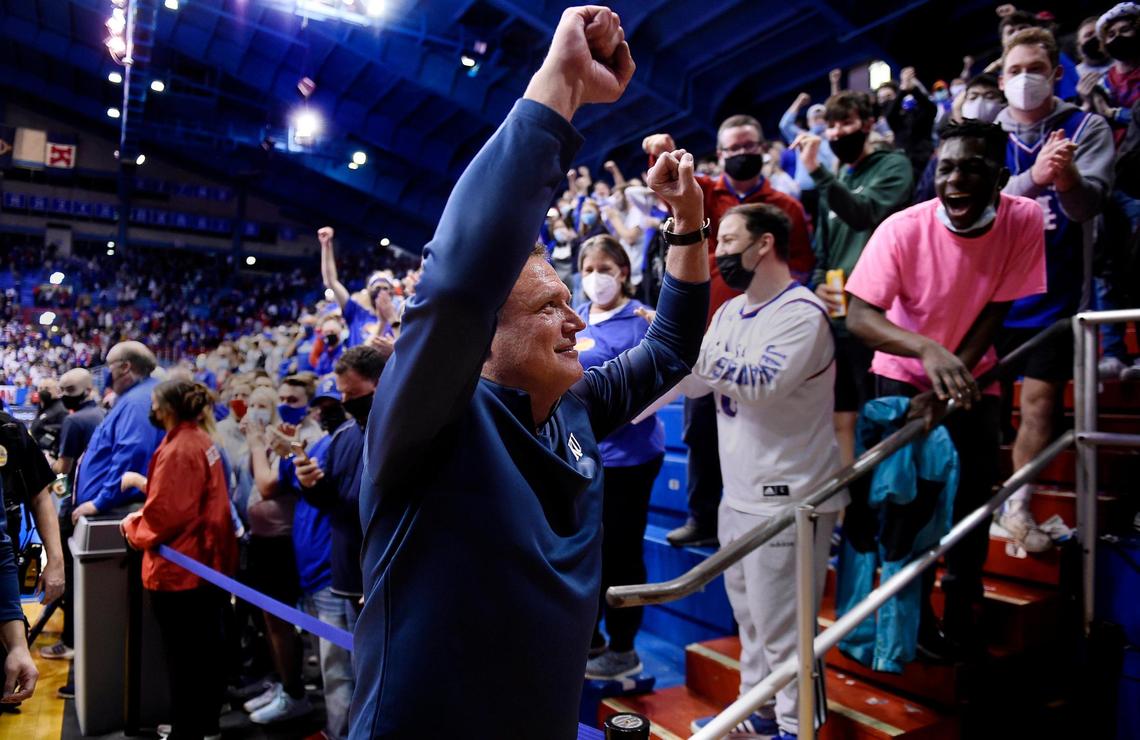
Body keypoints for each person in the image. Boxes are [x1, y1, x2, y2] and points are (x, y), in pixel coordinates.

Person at [352, 7, 710, 737]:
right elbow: (456, 283)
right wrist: (561, 86)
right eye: (550, 308)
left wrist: (689, 222)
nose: (577, 321)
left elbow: (672, 348)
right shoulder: (428, 422)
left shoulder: (574, 407)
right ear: (480, 340)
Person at [846, 120, 1048, 657]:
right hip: (902, 372)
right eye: (947, 167)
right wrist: (926, 353)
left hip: (970, 376)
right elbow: (860, 316)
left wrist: (952, 376)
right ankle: (910, 622)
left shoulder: (1024, 218)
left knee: (973, 498)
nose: (955, 179)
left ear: (1002, 177)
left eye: (973, 168)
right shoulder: (902, 228)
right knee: (911, 503)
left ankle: (962, 607)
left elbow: (998, 308)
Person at [682, 203, 845, 740]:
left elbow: (758, 382)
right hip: (740, 495)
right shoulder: (729, 313)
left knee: (785, 633)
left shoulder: (802, 313)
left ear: (765, 244)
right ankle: (758, 716)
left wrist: (683, 352)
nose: (719, 252)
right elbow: (693, 381)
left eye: (728, 240)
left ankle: (799, 728)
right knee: (751, 623)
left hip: (791, 501)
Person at [642, 111, 814, 548]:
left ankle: (769, 518)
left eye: (748, 146)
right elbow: (671, 190)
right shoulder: (703, 195)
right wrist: (661, 151)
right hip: (708, 337)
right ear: (719, 155)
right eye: (732, 148)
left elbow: (801, 269)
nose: (741, 154)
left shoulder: (786, 207)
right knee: (700, 432)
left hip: (763, 339)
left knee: (760, 427)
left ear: (762, 149)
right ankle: (703, 518)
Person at [994, 27, 1114, 552]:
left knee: (1040, 402)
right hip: (992, 295)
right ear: (1000, 79)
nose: (1025, 79)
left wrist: (1065, 182)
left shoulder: (1086, 127)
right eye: (1015, 70)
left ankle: (1018, 506)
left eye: (1035, 69)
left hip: (1058, 292)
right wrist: (1033, 180)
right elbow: (970, 210)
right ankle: (984, 501)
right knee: (982, 413)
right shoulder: (983, 134)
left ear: (1057, 74)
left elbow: (1090, 207)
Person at [792, 91, 914, 467]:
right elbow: (823, 253)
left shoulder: (894, 167)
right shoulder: (839, 179)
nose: (837, 132)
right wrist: (817, 285)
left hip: (880, 319)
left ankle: (886, 507)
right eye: (830, 125)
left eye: (845, 123)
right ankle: (852, 512)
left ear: (868, 124)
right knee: (842, 417)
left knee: (880, 417)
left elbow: (865, 214)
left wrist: (818, 172)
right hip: (840, 323)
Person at [566, 235, 666, 681]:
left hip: (630, 459)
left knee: (623, 554)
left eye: (604, 268)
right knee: (585, 552)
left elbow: (661, 378)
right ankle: (593, 640)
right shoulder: (578, 318)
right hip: (580, 457)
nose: (595, 278)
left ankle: (625, 647)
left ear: (623, 271)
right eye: (587, 269)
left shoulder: (641, 319)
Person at [120, 380, 238, 740]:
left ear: (167, 408)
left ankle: (187, 731)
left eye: (155, 403)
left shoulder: (180, 448)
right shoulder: (202, 441)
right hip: (205, 564)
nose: (152, 409)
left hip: (182, 572)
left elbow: (167, 515)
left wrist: (132, 527)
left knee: (184, 661)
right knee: (202, 656)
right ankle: (204, 724)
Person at [239, 383, 322, 724]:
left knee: (282, 621)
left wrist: (258, 444)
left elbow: (267, 485)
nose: (284, 405)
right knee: (270, 622)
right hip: (264, 540)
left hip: (284, 542)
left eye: (292, 400)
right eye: (281, 399)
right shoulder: (280, 437)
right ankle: (284, 683)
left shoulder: (306, 437)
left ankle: (295, 694)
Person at [41, 368, 105, 665]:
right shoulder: (103, 414)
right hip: (99, 505)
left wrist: (47, 461)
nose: (65, 395)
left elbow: (63, 469)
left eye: (68, 390)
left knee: (70, 575)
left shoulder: (74, 420)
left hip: (75, 503)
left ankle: (69, 641)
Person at [71, 341, 165, 523]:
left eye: (109, 365)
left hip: (116, 511)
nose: (107, 372)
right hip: (114, 508)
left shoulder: (137, 402)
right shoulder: (136, 395)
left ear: (125, 367)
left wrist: (101, 502)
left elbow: (132, 453)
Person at [319, 227, 399, 348]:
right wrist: (326, 246)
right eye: (377, 287)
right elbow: (331, 281)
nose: (381, 292)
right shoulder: (356, 312)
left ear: (392, 292)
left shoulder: (396, 319)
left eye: (385, 287)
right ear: (368, 289)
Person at [30, 378, 67, 459]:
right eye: (40, 388)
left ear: (57, 391)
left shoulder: (61, 409)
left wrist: (41, 445)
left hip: (50, 456)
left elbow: (59, 433)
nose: (43, 391)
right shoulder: (42, 407)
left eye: (47, 388)